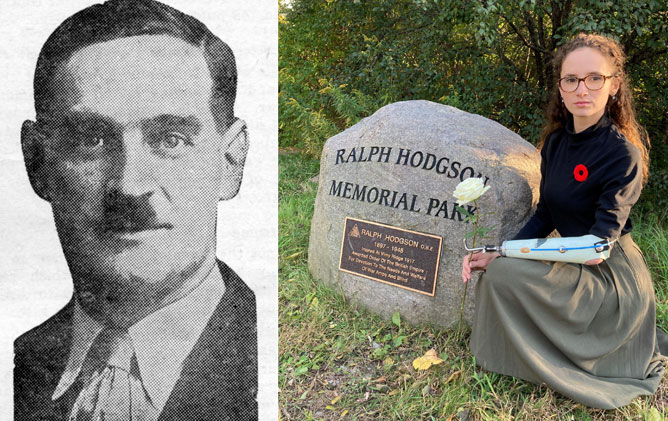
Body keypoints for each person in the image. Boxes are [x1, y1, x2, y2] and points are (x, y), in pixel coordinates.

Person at [13, 1, 258, 420]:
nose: (129, 186)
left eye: (170, 139)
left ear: (230, 163)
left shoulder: (266, 354)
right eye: (89, 141)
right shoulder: (18, 365)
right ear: (37, 163)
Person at [461, 33, 667, 409]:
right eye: (570, 79)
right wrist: (498, 252)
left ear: (614, 85)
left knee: (506, 270)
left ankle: (576, 355)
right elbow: (546, 214)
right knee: (500, 272)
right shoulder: (555, 143)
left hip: (609, 276)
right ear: (560, 87)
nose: (581, 89)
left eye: (594, 78)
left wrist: (506, 252)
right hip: (574, 261)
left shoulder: (623, 156)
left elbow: (597, 247)